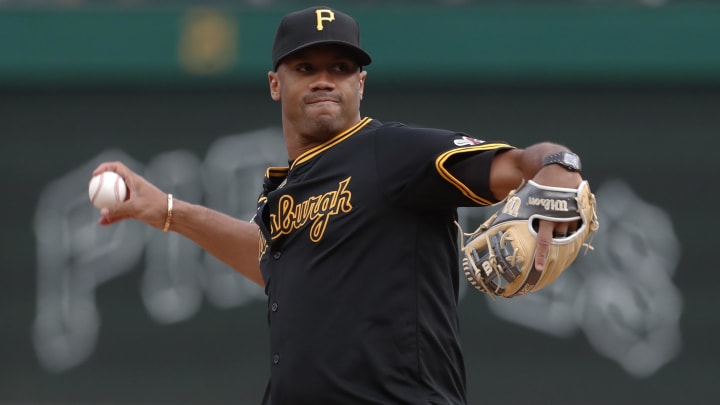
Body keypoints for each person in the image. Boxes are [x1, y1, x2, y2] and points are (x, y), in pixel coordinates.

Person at [93, 6, 585, 404]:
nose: (325, 79)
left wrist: (558, 164)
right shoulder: (284, 197)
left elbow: (517, 162)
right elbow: (272, 261)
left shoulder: (392, 153)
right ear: (274, 84)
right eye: (306, 68)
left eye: (341, 69)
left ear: (361, 85)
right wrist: (166, 211)